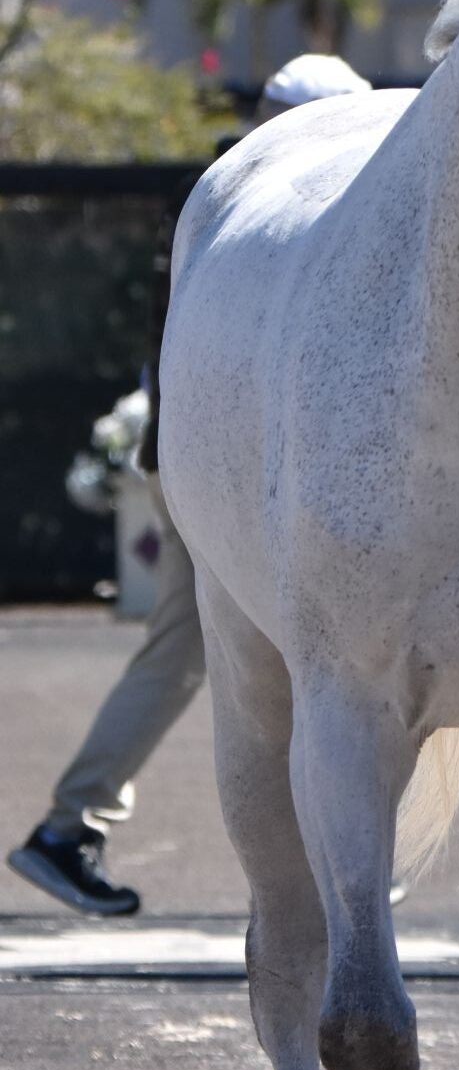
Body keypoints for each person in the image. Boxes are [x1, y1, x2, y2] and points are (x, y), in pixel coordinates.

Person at [8, 53, 372, 919]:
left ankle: (73, 827)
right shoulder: (268, 203)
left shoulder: (228, 195)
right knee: (242, 652)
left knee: (209, 653)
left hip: (215, 462)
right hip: (226, 467)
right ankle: (71, 827)